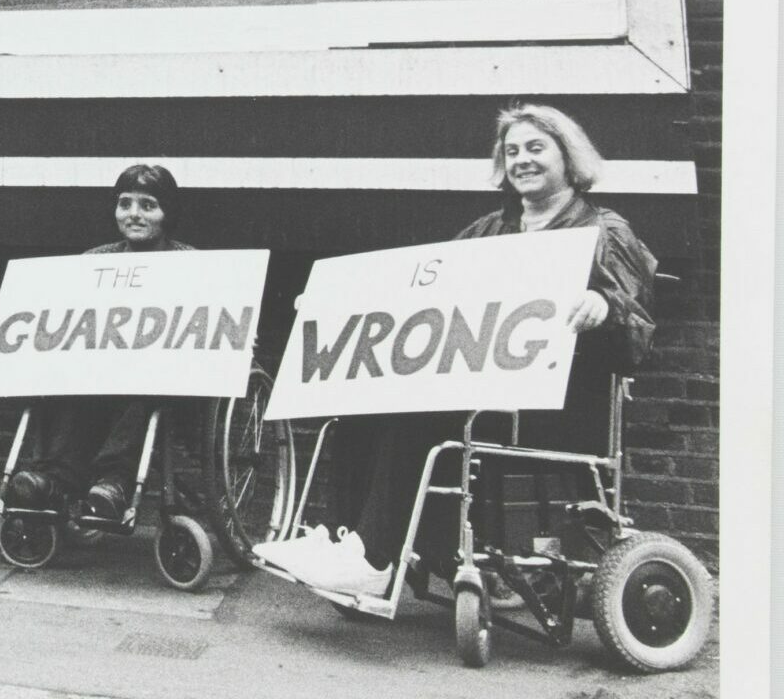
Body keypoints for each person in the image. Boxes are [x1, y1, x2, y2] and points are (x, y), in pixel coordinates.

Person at [256, 104, 658, 598]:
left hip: (561, 403)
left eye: (536, 148)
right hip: (486, 393)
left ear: (569, 156)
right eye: (512, 151)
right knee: (361, 399)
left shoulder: (603, 231)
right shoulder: (491, 228)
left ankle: (377, 557)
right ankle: (347, 539)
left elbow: (635, 315)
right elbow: (431, 294)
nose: (522, 160)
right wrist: (334, 305)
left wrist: (602, 302)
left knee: (418, 408)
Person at [2, 164, 196, 522]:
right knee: (67, 379)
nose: (134, 214)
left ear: (167, 213)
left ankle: (115, 481)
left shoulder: (192, 264)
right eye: (125, 204)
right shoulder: (95, 261)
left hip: (158, 379)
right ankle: (55, 479)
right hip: (97, 373)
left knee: (144, 386)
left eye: (148, 205)